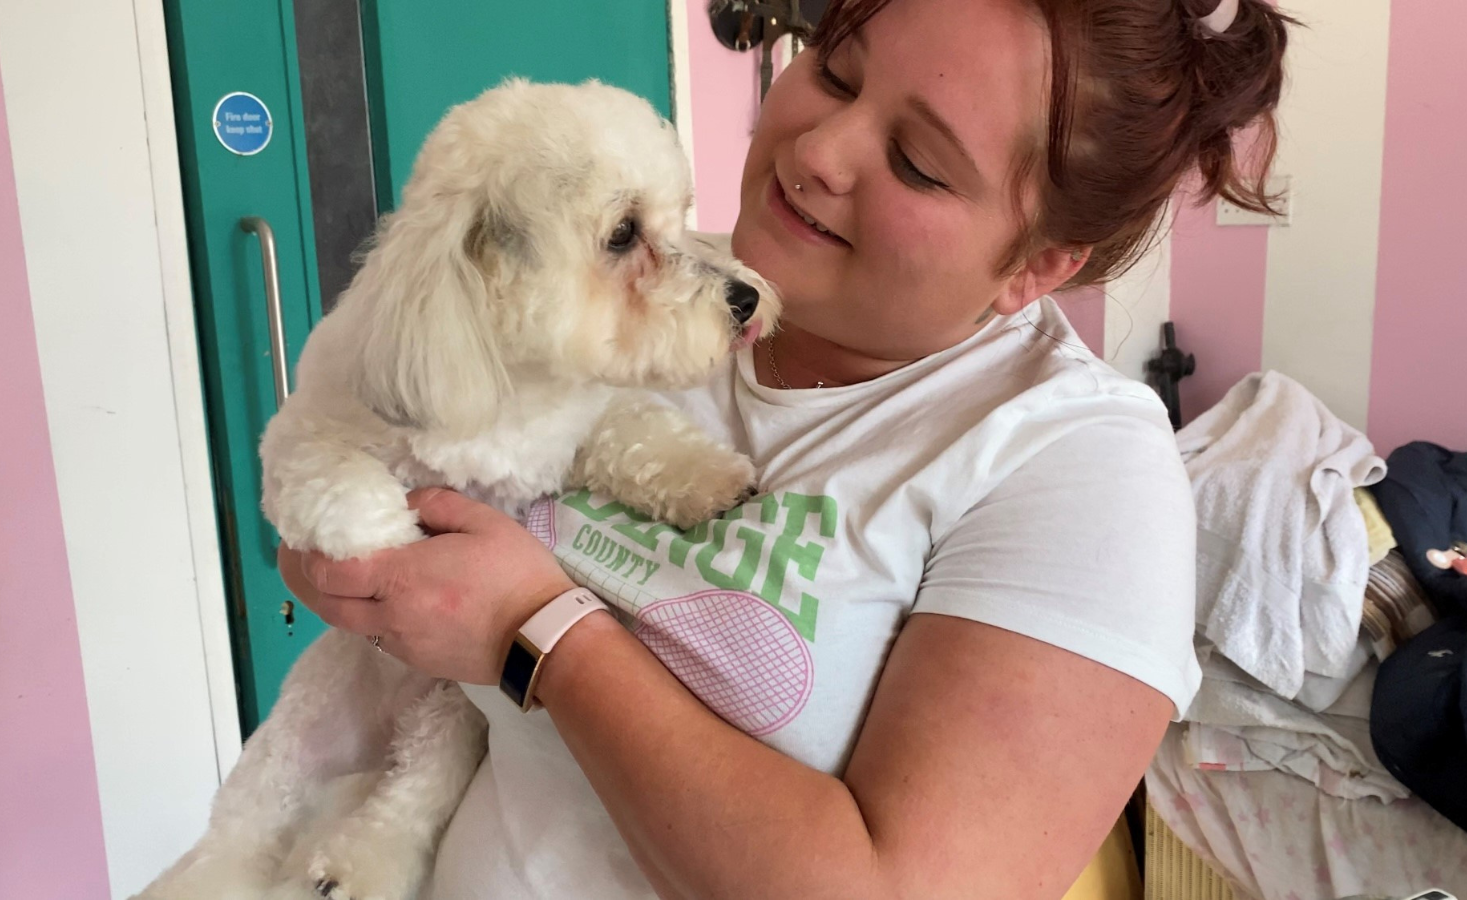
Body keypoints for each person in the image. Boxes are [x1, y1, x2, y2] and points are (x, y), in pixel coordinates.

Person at [278, 0, 1292, 895]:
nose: (818, 150)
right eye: (836, 69)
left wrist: (533, 635)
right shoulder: (643, 292)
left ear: (1037, 265)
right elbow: (363, 479)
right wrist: (352, 544)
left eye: (915, 162)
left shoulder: (1075, 467)